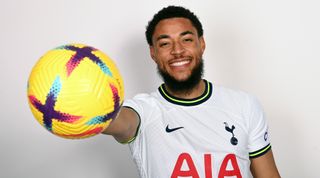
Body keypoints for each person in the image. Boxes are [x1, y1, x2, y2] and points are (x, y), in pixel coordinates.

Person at [103, 5, 281, 178]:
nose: (177, 50)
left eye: (186, 39)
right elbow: (113, 121)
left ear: (201, 44)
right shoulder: (143, 110)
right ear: (153, 53)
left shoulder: (245, 105)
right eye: (165, 43)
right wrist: (82, 104)